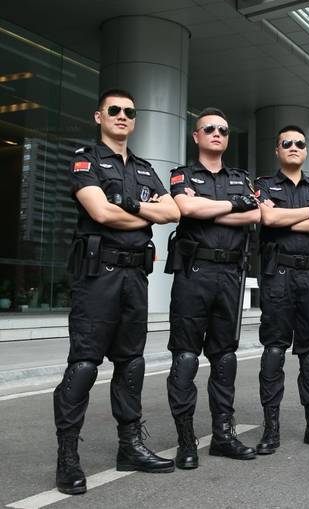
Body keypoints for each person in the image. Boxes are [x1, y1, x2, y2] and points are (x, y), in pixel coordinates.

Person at [53, 89, 180, 495]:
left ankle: (130, 446)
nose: (122, 115)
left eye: (129, 111)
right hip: (98, 276)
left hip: (135, 277)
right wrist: (144, 213)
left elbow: (173, 211)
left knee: (131, 364)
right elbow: (100, 211)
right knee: (84, 365)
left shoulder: (144, 168)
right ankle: (68, 457)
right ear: (99, 116)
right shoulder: (86, 159)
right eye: (114, 110)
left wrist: (131, 207)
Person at [165, 108, 261, 467]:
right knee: (186, 356)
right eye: (209, 129)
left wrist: (209, 207)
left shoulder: (240, 178)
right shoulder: (183, 174)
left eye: (223, 129)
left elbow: (256, 214)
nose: (217, 133)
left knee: (225, 357)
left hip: (230, 275)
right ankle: (186, 440)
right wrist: (232, 206)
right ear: (197, 136)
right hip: (194, 272)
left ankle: (223, 436)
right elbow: (185, 208)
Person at [254, 125, 309, 454]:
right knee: (274, 350)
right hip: (278, 275)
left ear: (306, 150)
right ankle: (271, 427)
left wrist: (287, 219)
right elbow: (268, 219)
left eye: (299, 143)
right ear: (277, 150)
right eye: (286, 143)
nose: (293, 147)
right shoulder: (264, 184)